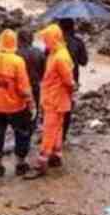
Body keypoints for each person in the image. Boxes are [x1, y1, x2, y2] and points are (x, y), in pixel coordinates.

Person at [0, 30, 34, 178]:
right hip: (16, 107)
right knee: (22, 133)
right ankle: (20, 164)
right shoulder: (17, 61)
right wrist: (31, 103)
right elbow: (24, 88)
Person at [25, 24, 74, 179]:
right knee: (57, 128)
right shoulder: (56, 53)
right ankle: (56, 156)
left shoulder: (60, 57)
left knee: (49, 131)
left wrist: (72, 90)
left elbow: (69, 81)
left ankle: (42, 163)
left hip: (55, 99)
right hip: (55, 98)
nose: (45, 42)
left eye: (46, 39)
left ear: (53, 38)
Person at [57, 18, 88, 142]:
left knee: (53, 107)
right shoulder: (78, 42)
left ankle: (53, 132)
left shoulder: (55, 42)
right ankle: (63, 135)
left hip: (55, 80)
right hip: (72, 80)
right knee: (67, 107)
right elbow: (84, 62)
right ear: (73, 27)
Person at [17, 28, 46, 126]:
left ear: (19, 40)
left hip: (19, 86)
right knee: (35, 106)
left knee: (20, 107)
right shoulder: (39, 52)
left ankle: (21, 125)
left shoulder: (15, 53)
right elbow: (44, 71)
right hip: (34, 83)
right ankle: (32, 125)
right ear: (32, 39)